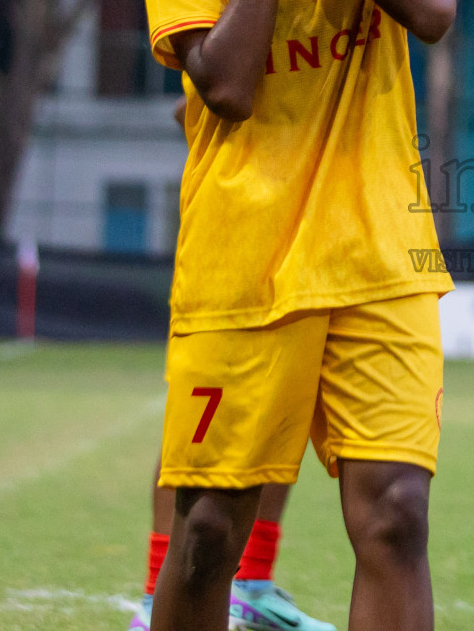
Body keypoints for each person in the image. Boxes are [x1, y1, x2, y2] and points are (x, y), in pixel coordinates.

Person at [141, 0, 456, 631]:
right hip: (244, 268)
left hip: (383, 266)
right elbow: (228, 87)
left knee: (396, 520)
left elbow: (432, 8)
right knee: (208, 533)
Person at [126, 100, 333, 631]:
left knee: (287, 414)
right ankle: (156, 596)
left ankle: (252, 585)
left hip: (308, 242)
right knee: (195, 432)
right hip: (229, 243)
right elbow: (186, 109)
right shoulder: (233, 27)